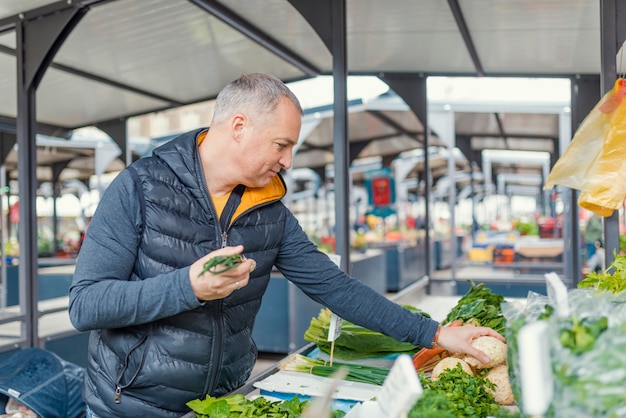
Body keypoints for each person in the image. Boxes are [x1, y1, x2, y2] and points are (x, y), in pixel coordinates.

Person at [68, 73, 504, 417]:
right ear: (239, 127)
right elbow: (86, 304)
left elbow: (334, 287)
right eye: (282, 144)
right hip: (132, 408)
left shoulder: (269, 210)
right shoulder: (138, 188)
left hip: (224, 403)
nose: (288, 162)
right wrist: (189, 287)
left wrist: (437, 333)